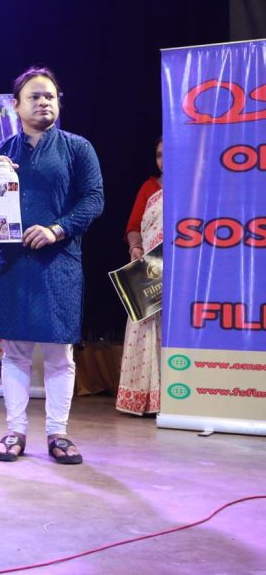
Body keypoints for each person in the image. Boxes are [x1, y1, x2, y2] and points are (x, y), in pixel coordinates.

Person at [0, 67, 103, 465]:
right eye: (34, 96)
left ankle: (58, 433)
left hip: (59, 262)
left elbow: (94, 200)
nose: (43, 103)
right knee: (15, 351)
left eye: (49, 96)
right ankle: (14, 431)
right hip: (14, 262)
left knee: (59, 354)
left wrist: (57, 229)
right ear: (16, 105)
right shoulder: (1, 152)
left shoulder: (77, 148)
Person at [117, 138, 163, 415]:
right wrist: (135, 248)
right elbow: (133, 227)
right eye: (158, 155)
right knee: (146, 324)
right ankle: (146, 398)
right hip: (152, 268)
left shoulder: (195, 186)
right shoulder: (149, 187)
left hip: (185, 271)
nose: (163, 160)